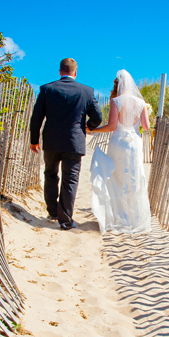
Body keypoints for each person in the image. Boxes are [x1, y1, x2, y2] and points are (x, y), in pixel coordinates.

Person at [30, 58, 102, 230]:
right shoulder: (87, 91)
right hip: (74, 142)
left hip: (51, 141)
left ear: (60, 71)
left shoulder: (47, 89)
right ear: (75, 72)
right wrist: (88, 127)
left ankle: (53, 212)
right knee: (70, 180)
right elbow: (97, 117)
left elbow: (36, 118)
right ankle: (65, 220)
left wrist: (34, 140)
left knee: (50, 174)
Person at [89, 69, 152, 234]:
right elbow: (146, 127)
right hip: (135, 144)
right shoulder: (141, 103)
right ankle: (135, 219)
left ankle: (119, 217)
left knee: (116, 177)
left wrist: (94, 130)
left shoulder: (116, 101)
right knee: (135, 178)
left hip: (118, 143)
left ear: (118, 85)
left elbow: (110, 126)